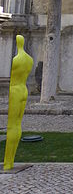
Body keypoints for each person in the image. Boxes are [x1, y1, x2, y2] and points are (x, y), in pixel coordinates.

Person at [3, 35, 33, 170]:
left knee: (11, 126)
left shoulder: (16, 59)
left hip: (15, 89)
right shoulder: (29, 59)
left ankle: (8, 162)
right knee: (17, 124)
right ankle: (10, 158)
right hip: (24, 89)